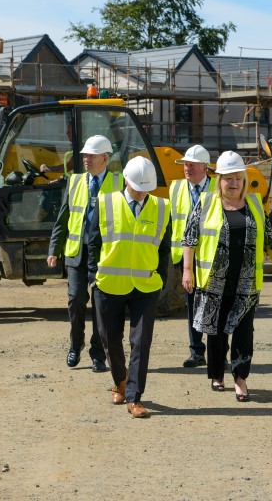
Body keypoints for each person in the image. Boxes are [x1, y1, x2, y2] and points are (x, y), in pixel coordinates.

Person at [182, 151, 272, 402]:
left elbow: (270, 240)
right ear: (220, 180)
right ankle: (218, 375)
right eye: (228, 178)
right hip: (214, 281)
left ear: (244, 180)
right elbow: (190, 238)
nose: (234, 183)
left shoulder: (255, 204)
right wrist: (187, 270)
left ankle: (241, 378)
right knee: (215, 332)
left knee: (243, 332)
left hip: (246, 282)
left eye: (238, 178)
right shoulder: (206, 203)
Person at [88, 156, 171, 419]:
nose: (141, 192)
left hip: (146, 285)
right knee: (109, 339)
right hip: (109, 283)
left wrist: (161, 276)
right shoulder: (106, 203)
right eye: (137, 187)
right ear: (125, 179)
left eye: (146, 188)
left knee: (140, 341)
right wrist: (92, 276)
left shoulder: (161, 207)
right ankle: (120, 380)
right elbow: (92, 241)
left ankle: (134, 397)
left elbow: (165, 247)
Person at [47, 135, 123, 373]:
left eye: (91, 155)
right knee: (76, 299)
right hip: (77, 252)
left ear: (105, 158)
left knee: (102, 307)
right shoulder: (75, 182)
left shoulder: (119, 183)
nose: (86, 159)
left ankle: (97, 353)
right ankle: (75, 344)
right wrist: (54, 249)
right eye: (85, 155)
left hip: (105, 254)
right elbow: (63, 218)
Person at [169, 144, 217, 368]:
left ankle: (217, 351)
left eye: (191, 164)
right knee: (193, 304)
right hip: (184, 255)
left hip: (212, 254)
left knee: (213, 303)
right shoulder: (176, 188)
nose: (186, 168)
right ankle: (196, 351)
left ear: (205, 167)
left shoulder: (218, 187)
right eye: (185, 164)